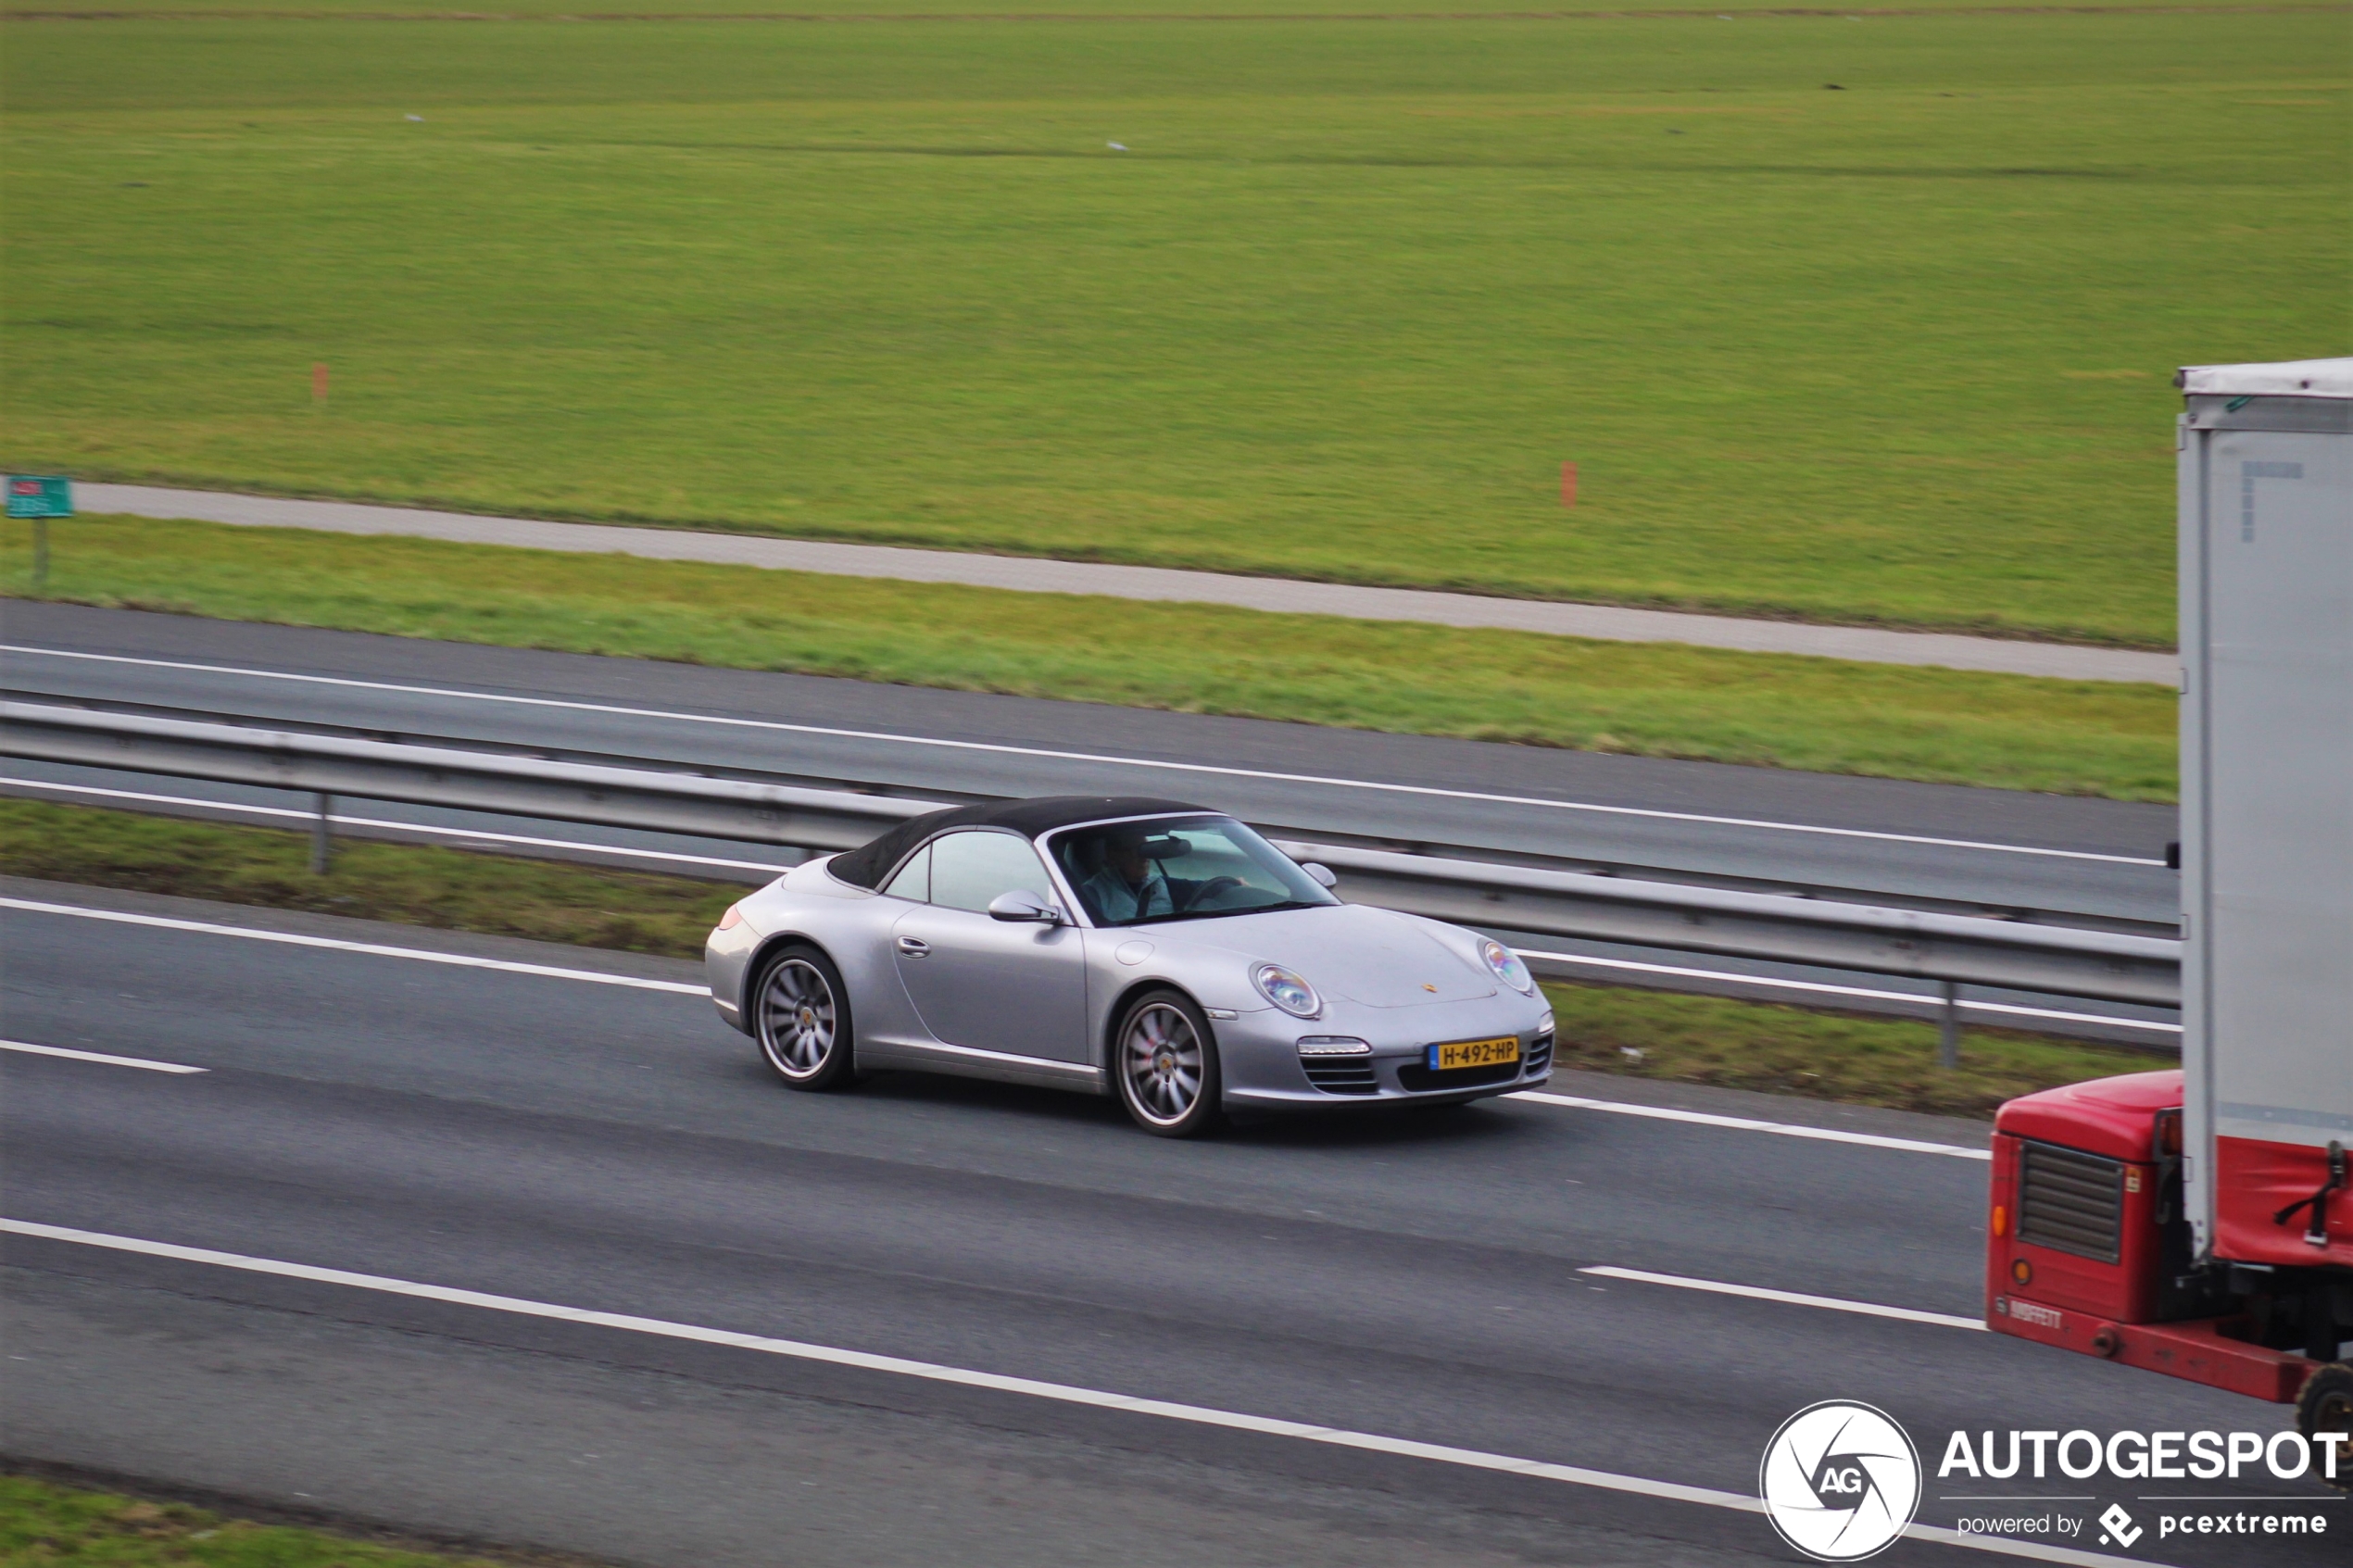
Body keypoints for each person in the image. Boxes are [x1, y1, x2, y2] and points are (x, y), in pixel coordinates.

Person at [1077, 830, 1176, 922]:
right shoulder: (1092, 892)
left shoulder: (1161, 883)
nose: (1145, 858)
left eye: (1146, 849)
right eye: (1137, 851)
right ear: (1112, 855)